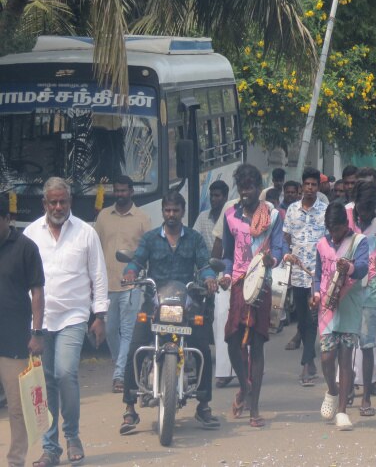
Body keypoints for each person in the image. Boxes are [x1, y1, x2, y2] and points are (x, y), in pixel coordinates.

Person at [119, 191, 220, 435]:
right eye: (167, 210)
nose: (171, 214)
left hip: (186, 304)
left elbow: (205, 265)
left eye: (175, 210)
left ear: (183, 212)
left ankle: (203, 405)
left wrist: (209, 280)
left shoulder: (194, 239)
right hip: (155, 303)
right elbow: (137, 260)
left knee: (202, 348)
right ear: (163, 212)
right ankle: (130, 408)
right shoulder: (151, 238)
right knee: (135, 347)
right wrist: (131, 272)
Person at [25, 177, 109, 467]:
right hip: (41, 320)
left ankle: (72, 435)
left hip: (74, 316)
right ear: (45, 204)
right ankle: (50, 449)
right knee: (46, 382)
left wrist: (100, 316)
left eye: (63, 201)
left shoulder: (86, 233)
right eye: (53, 202)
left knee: (64, 373)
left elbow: (98, 275)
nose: (58, 206)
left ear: (70, 202)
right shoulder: (31, 233)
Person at [220, 164, 284, 428]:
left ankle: (254, 407)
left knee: (256, 345)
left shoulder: (273, 215)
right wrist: (225, 274)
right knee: (233, 341)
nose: (245, 192)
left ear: (259, 188)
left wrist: (272, 259)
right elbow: (226, 252)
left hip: (262, 283)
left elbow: (280, 247)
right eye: (242, 187)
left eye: (250, 187)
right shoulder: (230, 215)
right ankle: (245, 387)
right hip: (237, 282)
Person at [313, 201, 369, 430]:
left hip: (350, 304)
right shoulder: (322, 244)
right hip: (327, 306)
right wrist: (315, 293)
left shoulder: (359, 242)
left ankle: (343, 411)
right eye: (331, 229)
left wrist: (351, 267)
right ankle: (332, 391)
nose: (334, 235)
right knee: (327, 357)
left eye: (338, 229)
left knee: (345, 357)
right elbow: (317, 274)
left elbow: (364, 267)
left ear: (346, 225)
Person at [95, 175, 152, 394]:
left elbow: (148, 251)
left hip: (132, 286)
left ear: (131, 191)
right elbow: (96, 250)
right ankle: (129, 366)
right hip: (107, 285)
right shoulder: (103, 217)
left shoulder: (142, 218)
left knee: (128, 332)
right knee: (110, 331)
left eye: (123, 191)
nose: (120, 194)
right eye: (116, 191)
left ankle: (120, 375)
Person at [0, 194, 45, 467]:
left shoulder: (26, 248)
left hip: (14, 339)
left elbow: (37, 291)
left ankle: (15, 461)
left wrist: (36, 332)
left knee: (16, 407)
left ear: (8, 219)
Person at [346, 181, 376, 415]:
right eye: (362, 210)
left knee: (367, 343)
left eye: (370, 210)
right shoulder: (345, 216)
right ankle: (347, 389)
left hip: (371, 289)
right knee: (346, 341)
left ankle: (365, 397)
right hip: (345, 288)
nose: (365, 215)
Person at [283, 167, 327, 384]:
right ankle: (310, 362)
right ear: (302, 187)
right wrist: (288, 255)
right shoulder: (291, 210)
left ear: (318, 187)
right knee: (302, 319)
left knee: (313, 318)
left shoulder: (325, 210)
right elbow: (285, 238)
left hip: (317, 274)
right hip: (298, 274)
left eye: (314, 185)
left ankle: (305, 364)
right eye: (307, 184)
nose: (310, 188)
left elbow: (330, 242)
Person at [192, 180, 233, 388]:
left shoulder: (230, 214)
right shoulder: (202, 218)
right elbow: (195, 241)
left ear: (226, 197)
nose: (214, 199)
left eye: (218, 196)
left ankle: (226, 366)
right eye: (212, 196)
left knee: (220, 317)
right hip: (203, 271)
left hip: (224, 272)